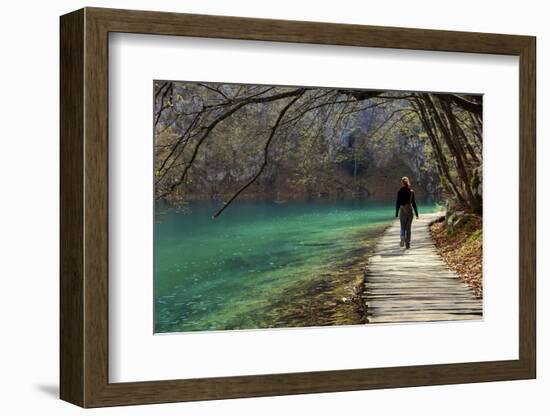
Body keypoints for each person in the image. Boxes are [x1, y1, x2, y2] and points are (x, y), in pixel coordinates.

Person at [395, 176, 419, 249]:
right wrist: (417, 214)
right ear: (408, 182)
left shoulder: (399, 191)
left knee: (402, 227)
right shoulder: (411, 192)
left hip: (402, 210)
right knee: (408, 228)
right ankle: (407, 243)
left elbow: (398, 203)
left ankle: (402, 237)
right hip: (409, 210)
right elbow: (414, 203)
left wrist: (396, 213)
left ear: (402, 183)